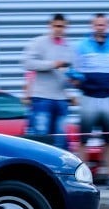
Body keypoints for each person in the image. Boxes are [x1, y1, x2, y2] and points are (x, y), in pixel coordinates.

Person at [74, 13, 109, 190]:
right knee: (84, 140)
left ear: (108, 26)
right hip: (88, 98)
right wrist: (85, 85)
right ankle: (82, 178)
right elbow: (74, 72)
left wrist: (107, 85)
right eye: (97, 24)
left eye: (103, 24)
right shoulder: (82, 46)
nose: (100, 27)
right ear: (92, 26)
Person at [21, 13, 74, 149]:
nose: (58, 29)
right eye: (56, 26)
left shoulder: (69, 47)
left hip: (61, 99)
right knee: (41, 137)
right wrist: (52, 64)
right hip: (42, 97)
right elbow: (28, 63)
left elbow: (69, 73)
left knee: (60, 138)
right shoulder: (39, 42)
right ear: (50, 26)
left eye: (62, 26)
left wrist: (73, 82)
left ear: (66, 27)